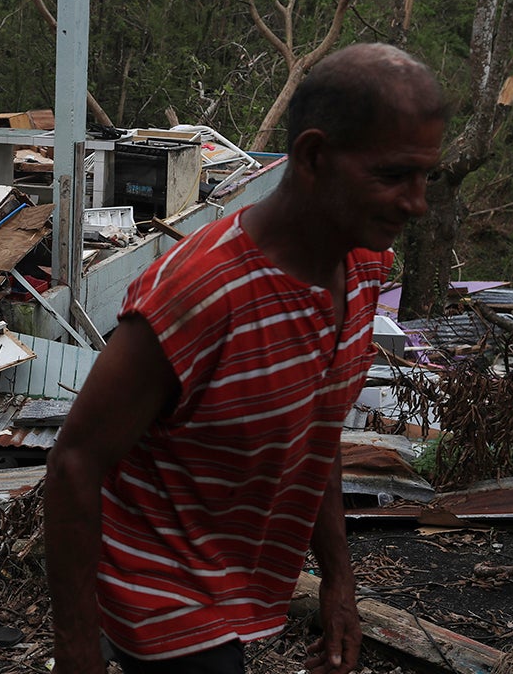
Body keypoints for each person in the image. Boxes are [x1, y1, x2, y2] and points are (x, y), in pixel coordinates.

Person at [44, 42, 447, 674]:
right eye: (394, 175)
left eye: (429, 177)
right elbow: (73, 462)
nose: (417, 203)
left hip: (239, 577)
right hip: (158, 583)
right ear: (314, 156)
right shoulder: (198, 292)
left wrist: (340, 585)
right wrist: (75, 652)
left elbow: (317, 434)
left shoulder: (366, 266)